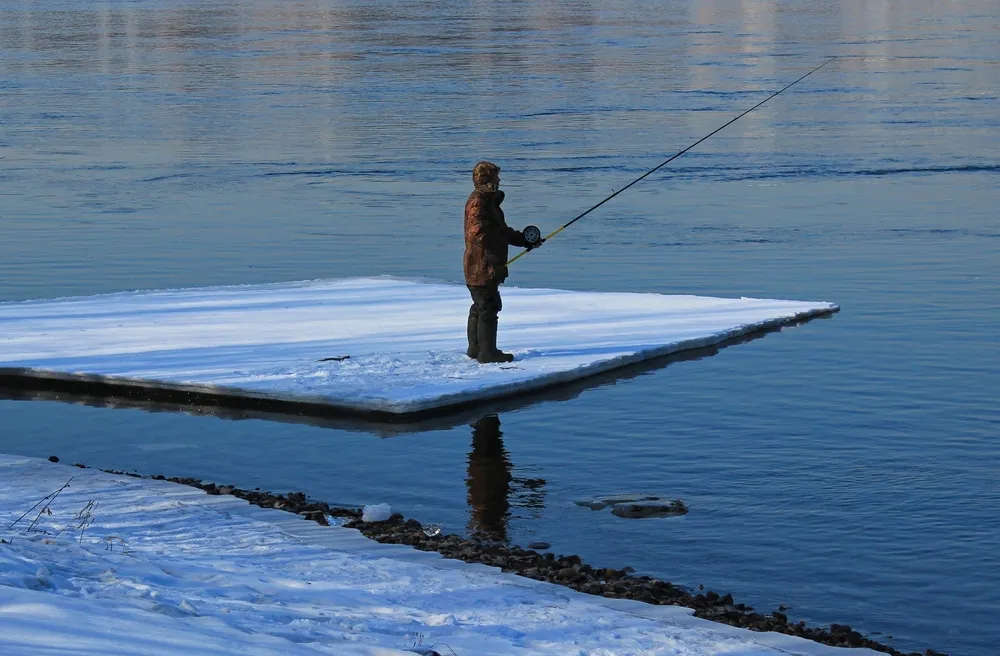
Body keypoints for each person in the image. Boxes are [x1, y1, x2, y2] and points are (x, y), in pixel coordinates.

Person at [463, 161, 541, 363]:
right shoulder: (478, 202)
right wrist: (498, 240)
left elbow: (503, 231)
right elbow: (477, 232)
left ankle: (476, 349)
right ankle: (487, 353)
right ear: (487, 180)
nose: (499, 180)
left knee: (481, 305)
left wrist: (525, 240)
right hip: (482, 266)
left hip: (484, 265)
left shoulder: (488, 202)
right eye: (496, 176)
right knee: (488, 306)